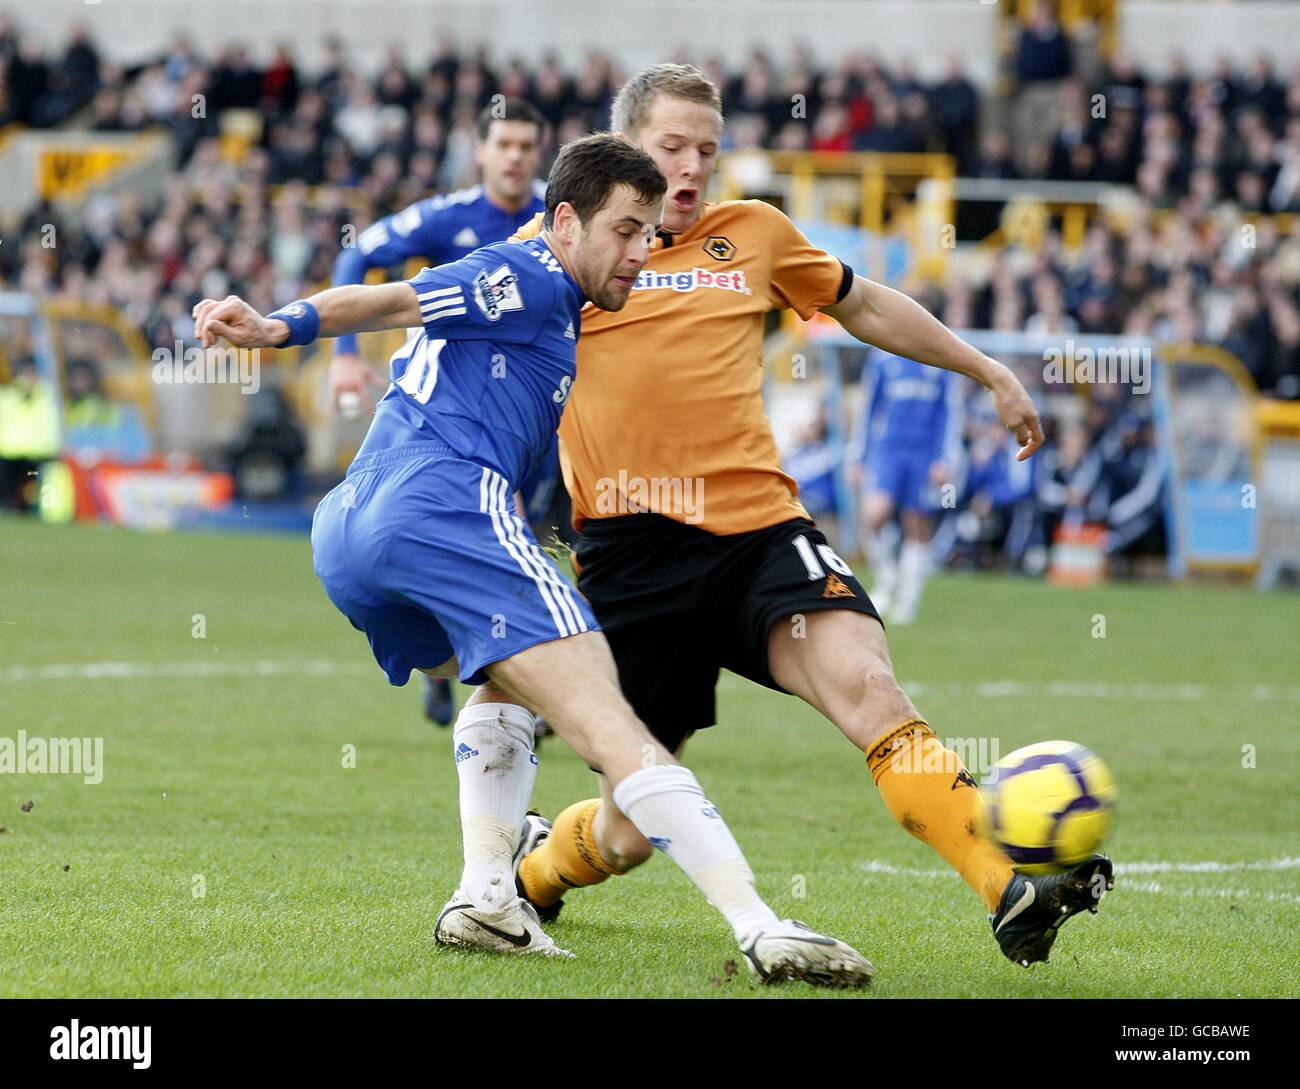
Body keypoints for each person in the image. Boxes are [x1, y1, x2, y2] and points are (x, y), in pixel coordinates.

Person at [191, 133, 874, 986]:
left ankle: (486, 898)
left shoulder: (551, 299)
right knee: (615, 727)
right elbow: (398, 297)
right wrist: (276, 326)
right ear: (564, 222)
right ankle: (760, 923)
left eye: (651, 232)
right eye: (626, 231)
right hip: (441, 504)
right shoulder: (530, 273)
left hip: (353, 531)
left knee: (503, 680)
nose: (642, 251)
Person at [510, 64, 1113, 969]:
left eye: (707, 151)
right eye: (671, 146)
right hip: (633, 556)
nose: (690, 168)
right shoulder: (559, 248)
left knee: (871, 691)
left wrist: (987, 369)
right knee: (628, 834)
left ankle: (1008, 887)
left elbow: (864, 304)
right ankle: (535, 874)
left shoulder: (752, 234)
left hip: (760, 532)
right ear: (621, 144)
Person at [327, 97, 552, 729]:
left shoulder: (554, 219)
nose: (513, 158)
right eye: (502, 145)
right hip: (449, 419)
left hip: (533, 414)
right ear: (479, 151)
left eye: (525, 147)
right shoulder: (446, 217)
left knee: (526, 542)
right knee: (454, 539)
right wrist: (344, 355)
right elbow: (357, 256)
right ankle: (450, 669)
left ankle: (520, 676)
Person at [855, 350, 964, 624]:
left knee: (916, 522)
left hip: (924, 454)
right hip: (888, 451)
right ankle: (886, 580)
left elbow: (950, 412)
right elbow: (868, 408)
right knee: (874, 515)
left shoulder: (938, 359)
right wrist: (857, 455)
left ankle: (909, 598)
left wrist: (945, 459)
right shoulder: (882, 359)